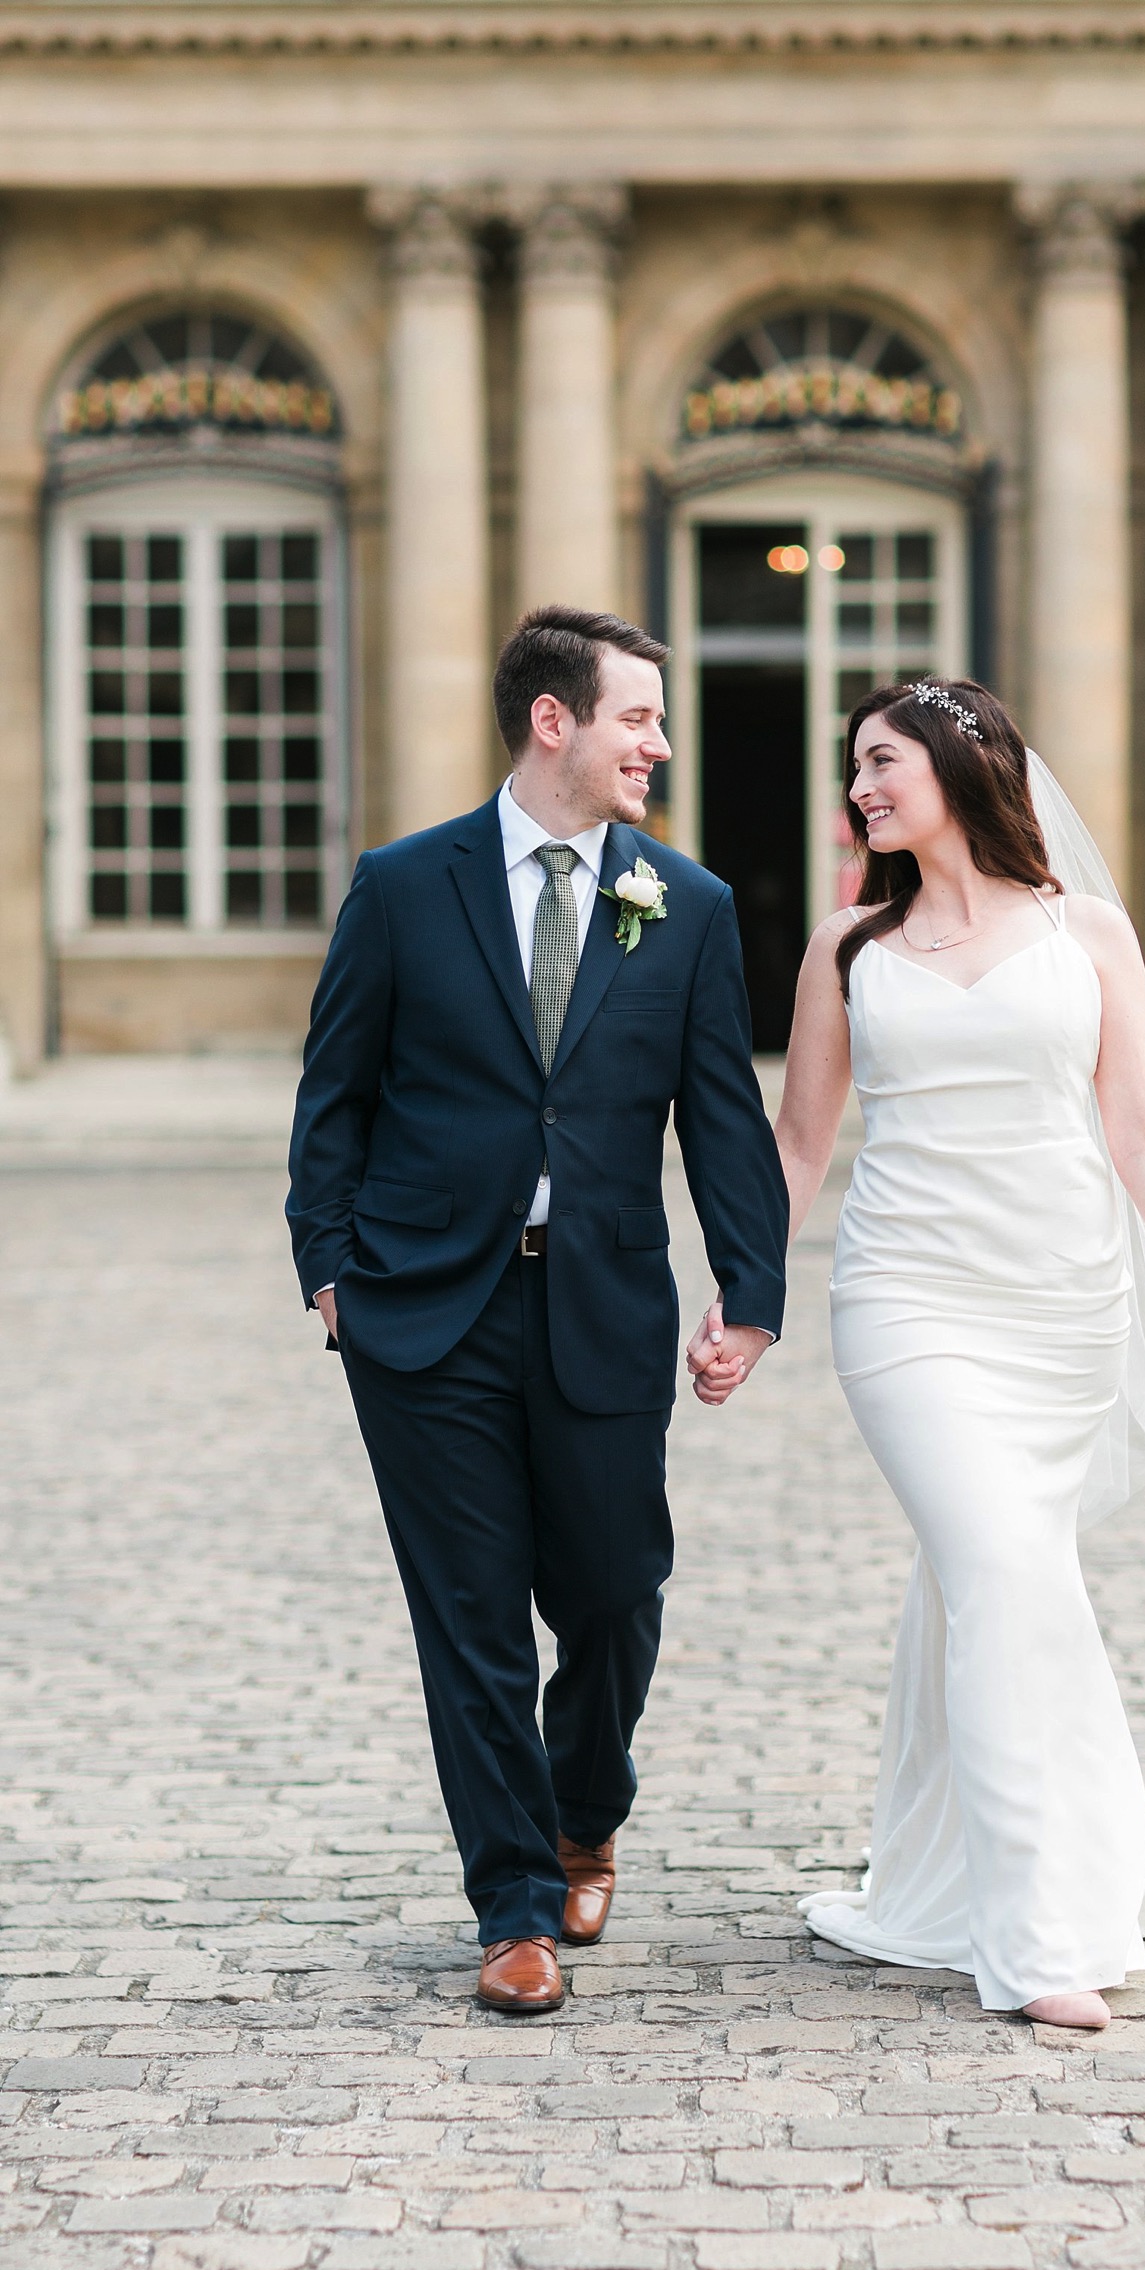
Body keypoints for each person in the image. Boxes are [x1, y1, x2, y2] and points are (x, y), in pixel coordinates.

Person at [690, 677, 1145, 2032]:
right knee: (1004, 1567)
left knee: (1006, 1578)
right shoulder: (846, 949)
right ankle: (1035, 1934)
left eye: (882, 761)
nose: (861, 788)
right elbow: (799, 1144)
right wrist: (745, 1298)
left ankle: (1020, 1863)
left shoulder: (1094, 936)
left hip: (1064, 1304)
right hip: (909, 1304)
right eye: (856, 770)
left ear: (961, 764)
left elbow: (1144, 1139)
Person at [288, 605, 788, 2017]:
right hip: (421, 1314)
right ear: (554, 721)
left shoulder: (686, 904)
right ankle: (511, 1901)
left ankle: (589, 1804)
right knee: (470, 1624)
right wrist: (328, 1265)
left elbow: (724, 1119)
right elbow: (336, 1094)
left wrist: (749, 1291)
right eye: (640, 716)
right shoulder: (403, 886)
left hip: (605, 1306)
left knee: (616, 1598)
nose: (663, 745)